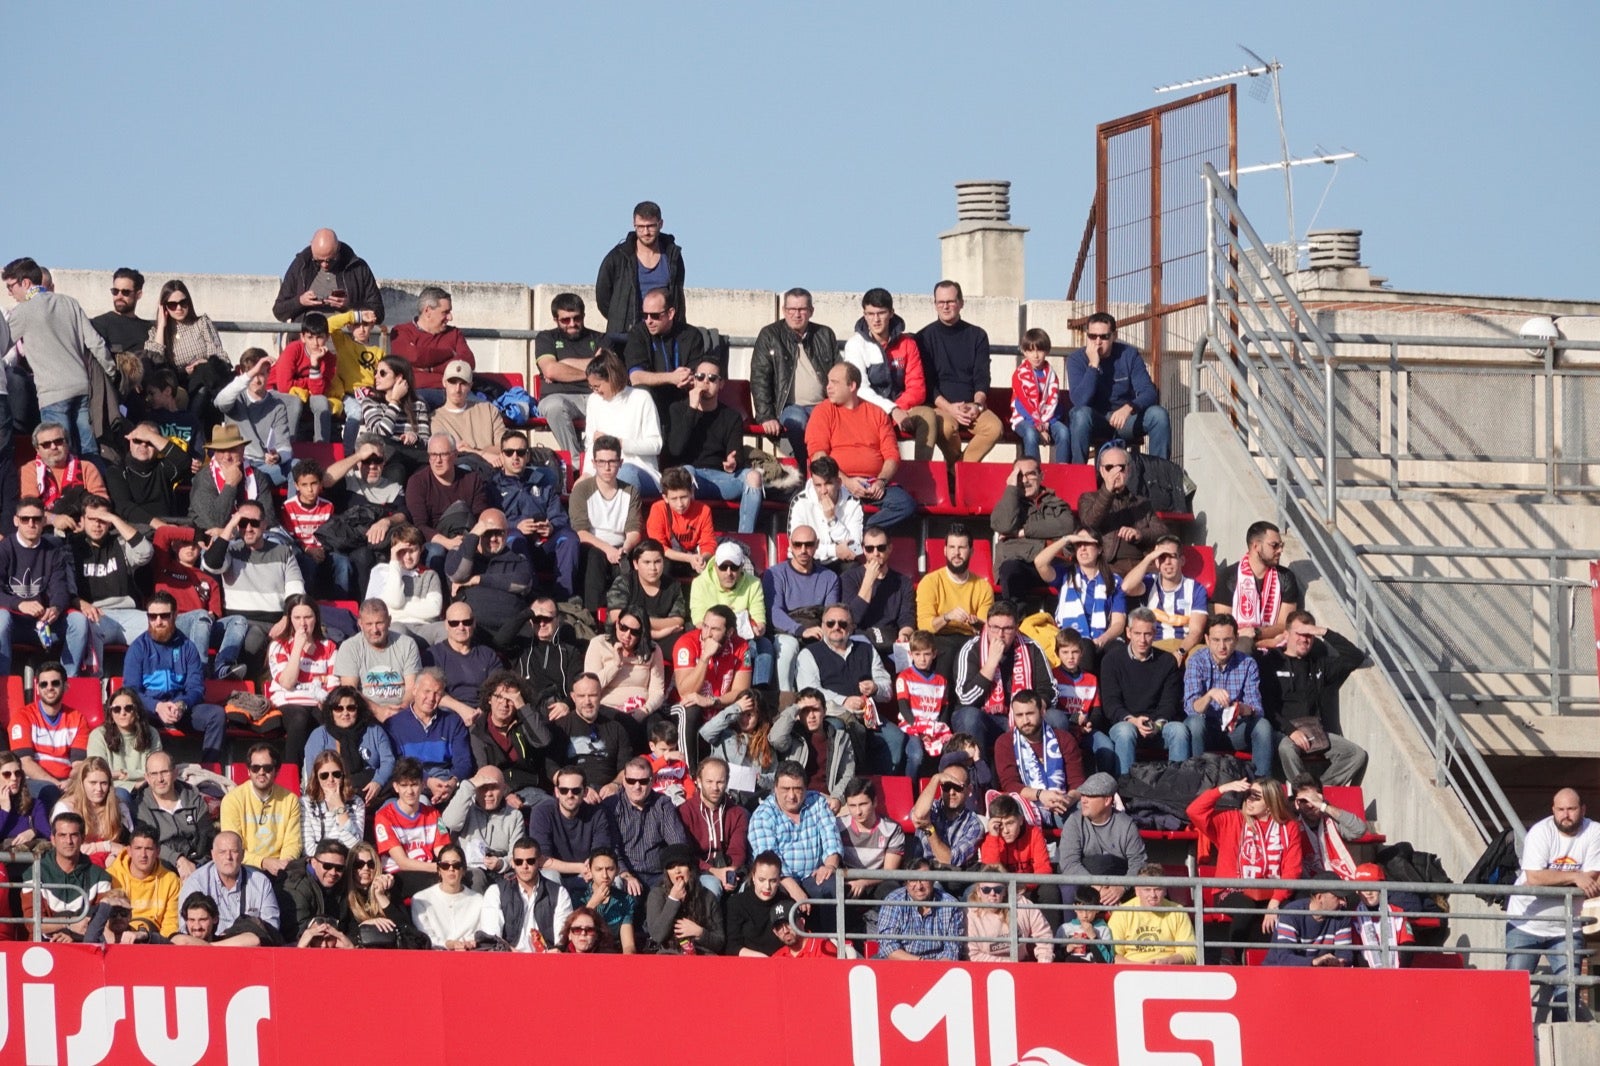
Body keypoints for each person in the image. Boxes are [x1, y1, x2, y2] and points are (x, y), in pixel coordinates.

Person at [3, 257, 117, 455]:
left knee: (58, 453)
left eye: (11, 286)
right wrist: (112, 372)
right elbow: (95, 343)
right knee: (89, 449)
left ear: (26, 283)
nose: (9, 292)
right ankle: (96, 484)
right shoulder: (69, 303)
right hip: (82, 388)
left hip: (52, 393)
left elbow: (2, 344)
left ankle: (68, 487)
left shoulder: (23, 311)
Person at [1505, 788, 1600, 1020]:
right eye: (1560, 809)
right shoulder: (1540, 832)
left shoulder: (1594, 832)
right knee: (1512, 991)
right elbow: (1535, 878)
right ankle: (1513, 1044)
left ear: (1583, 809)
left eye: (1571, 809)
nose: (1565, 814)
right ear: (1553, 810)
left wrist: (1554, 880)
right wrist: (1576, 877)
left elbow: (1594, 878)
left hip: (1567, 927)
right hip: (1526, 924)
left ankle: (1560, 1047)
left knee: (1568, 992)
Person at [1187, 778, 1305, 959]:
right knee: (1246, 906)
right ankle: (1229, 957)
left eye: (1256, 797)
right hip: (1232, 890)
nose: (1249, 800)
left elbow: (1292, 869)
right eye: (1248, 795)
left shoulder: (1289, 827)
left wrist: (1275, 902)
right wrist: (1222, 789)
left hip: (1270, 892)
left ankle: (1285, 958)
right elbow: (1194, 811)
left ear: (1271, 802)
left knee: (1298, 906)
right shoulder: (1231, 819)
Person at [1262, 610, 1369, 786]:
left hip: (1316, 732)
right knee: (1286, 749)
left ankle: (1319, 790)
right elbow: (1267, 706)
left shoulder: (1319, 664)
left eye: (1309, 635)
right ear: (1286, 635)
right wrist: (1291, 731)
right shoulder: (1271, 662)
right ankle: (1303, 791)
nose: (1305, 639)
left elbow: (1355, 657)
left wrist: (1323, 632)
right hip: (1284, 732)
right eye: (1300, 634)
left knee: (1357, 755)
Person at [805, 362, 916, 530]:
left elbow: (892, 456)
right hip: (836, 483)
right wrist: (846, 482)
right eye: (828, 382)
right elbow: (819, 457)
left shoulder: (877, 413)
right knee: (825, 495)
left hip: (872, 484)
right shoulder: (823, 411)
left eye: (834, 383)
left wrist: (881, 481)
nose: (828, 387)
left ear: (852, 386)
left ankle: (863, 532)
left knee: (905, 503)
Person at [661, 358, 765, 534]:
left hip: (720, 477)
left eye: (712, 378)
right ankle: (687, 535)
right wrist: (692, 408)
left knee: (753, 477)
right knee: (686, 471)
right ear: (693, 380)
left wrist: (733, 462)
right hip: (690, 477)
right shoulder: (677, 410)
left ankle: (745, 540)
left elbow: (736, 454)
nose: (705, 382)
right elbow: (676, 450)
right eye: (700, 377)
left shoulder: (731, 416)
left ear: (721, 384)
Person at [123, 591, 225, 766]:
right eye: (152, 617)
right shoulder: (138, 648)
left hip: (180, 709)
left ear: (175, 615)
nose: (158, 622)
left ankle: (208, 773)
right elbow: (131, 691)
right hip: (149, 710)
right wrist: (157, 706)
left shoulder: (188, 647)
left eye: (164, 616)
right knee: (129, 713)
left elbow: (196, 689)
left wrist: (181, 705)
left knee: (216, 715)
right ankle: (142, 771)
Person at [201, 499, 303, 670]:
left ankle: (234, 677)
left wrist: (286, 619)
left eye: (254, 523)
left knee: (253, 637)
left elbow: (296, 592)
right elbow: (211, 564)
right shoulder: (231, 551)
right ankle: (227, 674)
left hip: (271, 623)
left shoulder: (283, 552)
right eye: (242, 523)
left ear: (264, 525)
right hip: (236, 622)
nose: (248, 528)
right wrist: (229, 527)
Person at [951, 601, 1055, 762]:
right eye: (995, 628)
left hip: (1023, 717)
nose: (1000, 635)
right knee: (969, 717)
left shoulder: (1032, 648)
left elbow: (1050, 690)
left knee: (1057, 719)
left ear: (1016, 628)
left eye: (1007, 629)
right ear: (987, 625)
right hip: (985, 718)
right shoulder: (971, 649)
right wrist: (991, 663)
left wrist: (1030, 711)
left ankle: (1050, 779)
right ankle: (979, 778)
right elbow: (966, 698)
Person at [914, 280, 1004, 464]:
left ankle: (956, 470)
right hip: (941, 407)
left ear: (961, 303)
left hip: (972, 405)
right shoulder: (923, 337)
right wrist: (949, 408)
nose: (945, 306)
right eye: (941, 302)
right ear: (935, 304)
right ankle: (960, 474)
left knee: (995, 428)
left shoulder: (977, 335)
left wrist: (977, 405)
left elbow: (982, 376)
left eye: (951, 301)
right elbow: (928, 383)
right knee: (946, 429)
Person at [796, 606, 895, 773]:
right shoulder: (809, 653)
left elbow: (887, 690)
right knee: (839, 732)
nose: (836, 627)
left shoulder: (867, 650)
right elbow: (809, 691)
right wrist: (844, 700)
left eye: (842, 623)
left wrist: (876, 687)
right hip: (833, 714)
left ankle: (883, 789)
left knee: (897, 740)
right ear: (822, 626)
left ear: (851, 627)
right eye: (830, 623)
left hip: (867, 715)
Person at [0, 497, 90, 678]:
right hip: (13, 622)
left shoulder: (53, 550)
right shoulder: (5, 549)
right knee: (0, 619)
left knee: (79, 622)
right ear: (16, 521)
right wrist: (19, 604)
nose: (31, 524)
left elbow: (60, 587)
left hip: (45, 622)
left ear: (43, 521)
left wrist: (56, 608)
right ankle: (3, 683)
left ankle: (67, 681)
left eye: (36, 519)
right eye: (25, 519)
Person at [1064, 312, 1171, 464]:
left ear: (1114, 335)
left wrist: (1129, 407)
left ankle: (1159, 477)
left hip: (1125, 421)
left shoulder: (1129, 355)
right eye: (1092, 336)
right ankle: (1078, 476)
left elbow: (1149, 392)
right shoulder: (1076, 359)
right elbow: (1080, 401)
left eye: (1104, 336)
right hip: (1095, 421)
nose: (1098, 342)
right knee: (1080, 415)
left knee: (1158, 415)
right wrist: (1093, 365)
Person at [751, 287, 840, 463]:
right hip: (788, 407)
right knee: (796, 421)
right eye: (791, 309)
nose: (796, 314)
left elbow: (839, 374)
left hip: (823, 406)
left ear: (811, 311)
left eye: (802, 309)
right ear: (784, 310)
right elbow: (759, 378)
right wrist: (766, 416)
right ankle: (807, 469)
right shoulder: (770, 335)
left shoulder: (825, 334)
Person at [747, 761, 844, 920]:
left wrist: (829, 866)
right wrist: (795, 890)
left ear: (806, 788)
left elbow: (831, 839)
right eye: (786, 789)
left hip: (813, 875)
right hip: (779, 880)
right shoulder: (763, 815)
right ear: (775, 788)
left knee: (832, 885)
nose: (792, 796)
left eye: (797, 789)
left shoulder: (818, 802)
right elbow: (769, 860)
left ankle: (832, 941)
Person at [1183, 614, 1273, 778]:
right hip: (1206, 727)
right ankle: (1197, 779)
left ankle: (1262, 786)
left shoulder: (1247, 664)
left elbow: (1257, 709)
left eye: (1227, 640)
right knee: (1195, 723)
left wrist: (1242, 709)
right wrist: (1210, 695)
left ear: (1237, 639)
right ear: (1207, 639)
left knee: (1263, 726)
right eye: (1216, 640)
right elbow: (1191, 708)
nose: (1222, 646)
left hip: (1235, 728)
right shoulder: (1197, 661)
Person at [1100, 608, 1188, 773]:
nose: (1142, 640)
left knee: (1179, 730)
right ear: (1128, 632)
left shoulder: (1167, 661)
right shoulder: (1112, 660)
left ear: (1154, 633)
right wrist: (1133, 721)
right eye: (1137, 633)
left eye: (1147, 634)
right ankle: (1126, 791)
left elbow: (1169, 703)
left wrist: (1157, 725)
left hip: (1157, 726)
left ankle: (1178, 792)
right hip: (1126, 724)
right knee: (1126, 732)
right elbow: (1111, 704)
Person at [492, 429, 578, 600]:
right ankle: (533, 597)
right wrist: (515, 526)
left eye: (521, 452)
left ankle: (564, 599)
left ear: (528, 455)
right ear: (502, 455)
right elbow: (489, 522)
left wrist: (551, 527)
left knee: (569, 537)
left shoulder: (543, 481)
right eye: (510, 452)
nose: (515, 457)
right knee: (514, 537)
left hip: (544, 544)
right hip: (514, 546)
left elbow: (560, 517)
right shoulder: (493, 486)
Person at [151, 525, 246, 680]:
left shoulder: (209, 580)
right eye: (185, 543)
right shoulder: (163, 566)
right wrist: (200, 535)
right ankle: (198, 670)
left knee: (238, 620)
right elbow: (163, 532)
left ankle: (221, 667)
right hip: (172, 623)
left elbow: (215, 613)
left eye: (195, 544)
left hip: (203, 627)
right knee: (201, 616)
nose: (190, 547)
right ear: (175, 547)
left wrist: (211, 616)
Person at [764, 526, 843, 695]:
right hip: (785, 632)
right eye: (797, 545)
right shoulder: (775, 573)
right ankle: (785, 700)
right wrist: (800, 630)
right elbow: (774, 612)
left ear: (816, 545)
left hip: (816, 630)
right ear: (790, 545)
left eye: (808, 545)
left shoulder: (829, 577)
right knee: (789, 645)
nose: (803, 550)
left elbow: (830, 613)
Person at [841, 287, 930, 436]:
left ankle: (923, 461)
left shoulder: (907, 343)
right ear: (864, 315)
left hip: (904, 409)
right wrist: (891, 410)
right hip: (868, 411)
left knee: (929, 417)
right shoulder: (855, 344)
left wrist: (897, 409)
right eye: (870, 314)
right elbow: (860, 390)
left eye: (881, 313)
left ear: (891, 313)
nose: (876, 319)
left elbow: (917, 388)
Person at [571, 433, 644, 610]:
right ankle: (592, 615)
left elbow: (634, 529)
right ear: (594, 463)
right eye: (602, 462)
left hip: (621, 547)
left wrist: (624, 549)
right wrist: (608, 550)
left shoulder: (630, 491)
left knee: (634, 561)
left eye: (612, 462)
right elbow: (580, 532)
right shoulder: (582, 490)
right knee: (595, 558)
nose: (607, 467)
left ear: (620, 463)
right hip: (592, 546)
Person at [1036, 529, 1127, 670]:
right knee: (1086, 646)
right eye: (1079, 544)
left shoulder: (1114, 580)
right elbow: (1040, 563)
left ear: (1100, 549)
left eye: (1088, 544)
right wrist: (1066, 539)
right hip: (1072, 639)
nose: (1083, 548)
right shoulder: (1066, 575)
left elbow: (1118, 623)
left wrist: (1102, 639)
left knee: (1118, 651)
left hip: (1104, 638)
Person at [994, 690, 1087, 828]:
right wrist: (1040, 795)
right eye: (1019, 715)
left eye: (1030, 714)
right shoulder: (1005, 742)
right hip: (1026, 806)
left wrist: (1067, 800)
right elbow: (1010, 785)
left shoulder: (1064, 739)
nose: (1025, 721)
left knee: (1085, 810)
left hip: (1061, 804)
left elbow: (1078, 782)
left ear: (1042, 712)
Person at [993, 456, 1077, 607]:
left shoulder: (1055, 503)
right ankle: (1016, 623)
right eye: (1020, 476)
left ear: (1041, 476)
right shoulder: (1009, 504)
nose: (1025, 480)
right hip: (1023, 564)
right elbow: (1004, 526)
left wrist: (1023, 532)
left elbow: (1067, 525)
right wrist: (1011, 487)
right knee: (1010, 569)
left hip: (1055, 564)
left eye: (1030, 474)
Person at [266, 594, 339, 766]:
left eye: (308, 617)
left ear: (316, 618)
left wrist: (327, 701)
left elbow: (333, 685)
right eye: (297, 618)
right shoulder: (279, 645)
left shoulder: (329, 646)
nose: (303, 624)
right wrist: (298, 647)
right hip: (289, 702)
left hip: (317, 702)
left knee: (327, 718)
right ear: (290, 619)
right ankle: (292, 772)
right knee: (300, 718)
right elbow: (287, 682)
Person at [1077, 442, 1168, 579]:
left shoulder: (1141, 503)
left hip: (1140, 565)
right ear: (1102, 471)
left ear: (1128, 471)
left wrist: (1140, 534)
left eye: (1120, 468)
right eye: (1109, 468)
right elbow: (1089, 523)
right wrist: (1108, 491)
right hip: (1108, 565)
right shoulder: (1088, 498)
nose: (1115, 473)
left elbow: (1162, 532)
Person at [405, 433, 494, 572]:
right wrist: (447, 542)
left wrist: (471, 539)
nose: (437, 460)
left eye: (443, 454)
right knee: (436, 551)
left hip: (467, 534)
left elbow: (480, 514)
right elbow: (419, 525)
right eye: (433, 455)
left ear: (455, 455)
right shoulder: (417, 482)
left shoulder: (472, 479)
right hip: (434, 540)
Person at [688, 540, 772, 686]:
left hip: (743, 639)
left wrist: (759, 629)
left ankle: (760, 694)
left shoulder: (754, 583)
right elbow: (698, 621)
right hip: (712, 637)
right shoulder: (700, 583)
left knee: (764, 645)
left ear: (741, 567)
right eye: (723, 567)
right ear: (715, 566)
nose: (729, 572)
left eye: (733, 567)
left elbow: (760, 619)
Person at [384, 669, 473, 806]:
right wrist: (427, 781)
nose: (431, 698)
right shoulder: (395, 724)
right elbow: (396, 763)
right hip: (413, 786)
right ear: (414, 690)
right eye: (426, 691)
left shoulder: (453, 722)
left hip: (448, 783)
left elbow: (464, 761)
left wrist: (452, 782)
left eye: (437, 693)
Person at [528, 765, 618, 899]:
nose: (570, 795)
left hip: (588, 876)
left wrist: (588, 869)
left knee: (616, 881)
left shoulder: (597, 814)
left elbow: (600, 854)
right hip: (558, 876)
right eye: (564, 790)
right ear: (556, 792)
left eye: (576, 790)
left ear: (585, 792)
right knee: (549, 875)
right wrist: (580, 868)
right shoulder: (542, 812)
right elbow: (541, 860)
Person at [1057, 773, 1148, 904]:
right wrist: (1098, 887)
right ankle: (1072, 925)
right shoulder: (1074, 822)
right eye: (1083, 795)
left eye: (1090, 796)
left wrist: (1122, 887)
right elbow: (1069, 863)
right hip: (1086, 882)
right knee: (1069, 886)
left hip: (1118, 879)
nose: (1083, 800)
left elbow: (1138, 862)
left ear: (1107, 800)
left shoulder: (1126, 825)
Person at [178, 831, 281, 946]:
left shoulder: (261, 882)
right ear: (213, 855)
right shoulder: (196, 882)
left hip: (250, 952)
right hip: (204, 952)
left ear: (242, 855)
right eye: (222, 852)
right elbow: (185, 930)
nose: (228, 857)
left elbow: (271, 928)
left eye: (234, 851)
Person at [533, 292, 605, 456]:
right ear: (555, 320)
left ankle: (599, 459)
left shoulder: (600, 337)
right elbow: (550, 369)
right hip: (558, 397)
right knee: (554, 407)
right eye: (565, 320)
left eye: (577, 318)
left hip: (595, 396)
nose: (572, 324)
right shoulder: (546, 338)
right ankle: (574, 462)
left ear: (583, 316)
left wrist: (564, 364)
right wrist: (592, 368)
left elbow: (606, 367)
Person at [916, 524, 994, 675]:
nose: (956, 553)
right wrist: (947, 617)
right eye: (952, 547)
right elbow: (924, 626)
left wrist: (976, 623)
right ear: (945, 550)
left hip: (969, 639)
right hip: (940, 638)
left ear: (971, 551)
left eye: (961, 548)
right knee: (947, 651)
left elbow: (987, 628)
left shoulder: (983, 587)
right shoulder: (930, 582)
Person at [604, 756, 689, 895]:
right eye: (631, 781)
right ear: (624, 781)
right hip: (626, 873)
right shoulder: (612, 806)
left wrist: (674, 873)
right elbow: (612, 849)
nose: (637, 786)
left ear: (652, 781)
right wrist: (625, 874)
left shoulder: (663, 804)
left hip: (659, 875)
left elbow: (677, 844)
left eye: (643, 781)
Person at [582, 352, 663, 496]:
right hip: (604, 472)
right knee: (582, 488)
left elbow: (655, 445)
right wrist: (586, 474)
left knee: (625, 473)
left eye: (598, 386)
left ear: (612, 378)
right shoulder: (594, 401)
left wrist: (618, 443)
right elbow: (591, 445)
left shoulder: (641, 398)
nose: (595, 391)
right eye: (592, 387)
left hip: (640, 470)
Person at [623, 286, 709, 422]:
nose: (649, 321)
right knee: (641, 391)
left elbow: (697, 375)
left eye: (655, 316)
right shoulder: (638, 334)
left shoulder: (691, 335)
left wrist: (687, 379)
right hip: (653, 402)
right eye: (644, 315)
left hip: (684, 401)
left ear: (670, 313)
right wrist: (672, 378)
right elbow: (636, 377)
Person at [1212, 520, 1300, 652]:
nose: (1280, 550)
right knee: (1245, 646)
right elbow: (1223, 625)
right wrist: (1247, 636)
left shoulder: (1286, 577)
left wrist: (1257, 633)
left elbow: (1285, 625)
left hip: (1276, 640)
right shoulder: (1229, 576)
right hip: (1237, 640)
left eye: (1281, 545)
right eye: (1274, 545)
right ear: (1256, 546)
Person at [24, 811, 112, 941]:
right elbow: (32, 924)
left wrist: (73, 935)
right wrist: (68, 923)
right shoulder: (34, 873)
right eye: (62, 835)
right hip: (42, 949)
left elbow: (103, 922)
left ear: (82, 838)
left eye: (74, 835)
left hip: (85, 947)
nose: (68, 841)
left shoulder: (100, 876)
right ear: (53, 839)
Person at [1120, 535, 1207, 663]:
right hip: (1156, 644)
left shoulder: (1196, 589)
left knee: (1203, 656)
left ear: (1182, 560)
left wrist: (1180, 652)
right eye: (1162, 557)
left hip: (1185, 645)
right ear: (1156, 561)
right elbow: (1126, 587)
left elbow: (1196, 631)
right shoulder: (1149, 583)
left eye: (1172, 556)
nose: (1167, 562)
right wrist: (1149, 557)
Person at [478, 836, 573, 952]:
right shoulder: (496, 891)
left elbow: (562, 938)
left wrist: (555, 950)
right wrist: (509, 951)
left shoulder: (559, 893)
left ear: (539, 861)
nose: (524, 866)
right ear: (512, 863)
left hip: (547, 960)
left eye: (530, 861)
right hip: (508, 960)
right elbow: (491, 937)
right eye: (519, 861)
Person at [8, 662, 88, 800]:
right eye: (43, 684)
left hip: (67, 782)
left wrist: (71, 782)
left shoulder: (78, 719)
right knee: (50, 793)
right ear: (37, 689)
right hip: (33, 781)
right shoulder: (23, 717)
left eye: (55, 683)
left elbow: (79, 764)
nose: (49, 688)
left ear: (66, 686)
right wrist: (56, 784)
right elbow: (24, 762)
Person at [372, 757, 453, 894]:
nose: (410, 791)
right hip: (398, 877)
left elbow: (443, 852)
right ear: (396, 787)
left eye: (414, 785)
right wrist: (440, 868)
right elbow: (402, 863)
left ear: (422, 785)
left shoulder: (433, 814)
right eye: (404, 785)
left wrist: (447, 866)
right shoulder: (384, 817)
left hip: (430, 871)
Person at [586, 609, 667, 744]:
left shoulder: (652, 650)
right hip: (608, 708)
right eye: (623, 628)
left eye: (634, 632)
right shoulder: (598, 644)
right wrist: (615, 665)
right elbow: (589, 687)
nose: (627, 635)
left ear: (642, 634)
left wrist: (645, 710)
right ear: (617, 624)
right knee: (623, 724)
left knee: (657, 726)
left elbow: (658, 691)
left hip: (642, 708)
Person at [219, 744, 302, 876]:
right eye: (255, 768)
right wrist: (263, 862)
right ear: (248, 770)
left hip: (281, 868)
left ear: (277, 770)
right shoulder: (232, 800)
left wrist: (283, 865)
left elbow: (293, 842)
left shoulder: (290, 800)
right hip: (244, 868)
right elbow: (232, 848)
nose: (261, 772)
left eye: (267, 768)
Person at [213, 351, 293, 487]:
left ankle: (293, 508)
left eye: (261, 374)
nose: (257, 380)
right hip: (237, 464)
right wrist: (251, 373)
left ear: (268, 373)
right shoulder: (235, 400)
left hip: (264, 467)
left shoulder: (277, 406)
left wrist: (277, 457)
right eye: (252, 375)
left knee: (297, 467)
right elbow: (219, 402)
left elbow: (284, 446)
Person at [442, 765, 527, 892]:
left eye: (494, 788)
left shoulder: (514, 816)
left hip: (501, 871)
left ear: (504, 789)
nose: (488, 794)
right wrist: (469, 785)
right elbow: (450, 822)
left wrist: (501, 863)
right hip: (469, 870)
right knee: (476, 876)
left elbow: (517, 854)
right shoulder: (466, 808)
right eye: (483, 788)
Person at [335, 599, 422, 723]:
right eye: (369, 624)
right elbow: (350, 690)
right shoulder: (350, 647)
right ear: (360, 623)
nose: (375, 629)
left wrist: (402, 709)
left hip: (403, 711)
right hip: (365, 711)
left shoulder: (407, 644)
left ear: (389, 621)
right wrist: (378, 711)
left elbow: (412, 688)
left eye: (379, 623)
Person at [272, 228, 384, 324]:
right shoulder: (301, 265)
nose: (324, 264)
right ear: (312, 248)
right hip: (305, 346)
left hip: (347, 346)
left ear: (338, 248)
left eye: (330, 260)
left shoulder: (357, 267)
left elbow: (378, 313)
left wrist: (349, 305)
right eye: (318, 260)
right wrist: (300, 301)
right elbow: (279, 311)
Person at [129, 752, 214, 878]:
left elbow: (207, 835)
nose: (160, 779)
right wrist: (178, 859)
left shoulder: (193, 799)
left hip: (198, 863)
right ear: (146, 777)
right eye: (154, 774)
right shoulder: (140, 806)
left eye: (165, 772)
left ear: (175, 773)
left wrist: (196, 866)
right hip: (161, 868)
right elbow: (147, 845)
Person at [670, 604, 754, 726]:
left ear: (729, 632)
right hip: (682, 707)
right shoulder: (686, 643)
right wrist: (705, 657)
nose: (707, 634)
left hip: (719, 707)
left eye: (715, 629)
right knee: (690, 710)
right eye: (705, 626)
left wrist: (711, 701)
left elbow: (740, 692)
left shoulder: (741, 646)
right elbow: (686, 693)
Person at [678, 757, 750, 897]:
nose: (715, 788)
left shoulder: (737, 813)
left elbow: (738, 851)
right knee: (712, 887)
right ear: (698, 781)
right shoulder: (685, 811)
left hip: (729, 868)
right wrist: (713, 871)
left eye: (720, 782)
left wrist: (729, 874)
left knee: (748, 890)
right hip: (699, 870)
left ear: (727, 782)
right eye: (709, 782)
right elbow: (686, 853)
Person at [550, 675, 632, 797]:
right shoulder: (561, 727)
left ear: (600, 695)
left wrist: (615, 784)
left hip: (609, 795)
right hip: (571, 794)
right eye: (581, 696)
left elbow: (626, 767)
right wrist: (578, 790)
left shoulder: (616, 728)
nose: (587, 702)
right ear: (573, 697)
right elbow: (551, 767)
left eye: (592, 695)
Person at [699, 690, 781, 807]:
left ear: (759, 716)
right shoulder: (724, 734)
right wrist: (735, 708)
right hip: (723, 795)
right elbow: (705, 732)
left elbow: (775, 777)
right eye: (742, 713)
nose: (744, 719)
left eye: (749, 715)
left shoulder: (766, 742)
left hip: (751, 800)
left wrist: (760, 779)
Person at [270, 312, 343, 443]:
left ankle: (322, 446)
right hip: (274, 390)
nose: (315, 343)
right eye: (310, 337)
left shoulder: (330, 359)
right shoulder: (293, 349)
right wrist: (309, 382)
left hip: (306, 394)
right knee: (294, 402)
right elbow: (284, 386)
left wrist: (315, 364)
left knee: (321, 401)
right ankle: (288, 445)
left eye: (319, 337)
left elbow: (318, 391)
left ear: (327, 337)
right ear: (302, 337)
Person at [427, 602, 505, 723]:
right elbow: (431, 691)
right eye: (454, 623)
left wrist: (483, 710)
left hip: (484, 715)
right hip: (446, 716)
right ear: (446, 625)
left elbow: (499, 687)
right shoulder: (433, 655)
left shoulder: (488, 654)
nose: (461, 627)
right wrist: (461, 710)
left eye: (466, 622)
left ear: (474, 623)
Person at [873, 858, 963, 961]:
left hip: (938, 968)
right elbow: (888, 946)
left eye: (924, 879)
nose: (919, 886)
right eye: (913, 880)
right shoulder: (893, 901)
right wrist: (921, 963)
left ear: (933, 880)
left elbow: (952, 950)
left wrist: (934, 970)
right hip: (900, 965)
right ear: (906, 883)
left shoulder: (950, 905)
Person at [841, 526, 914, 651]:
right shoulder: (849, 578)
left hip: (890, 638)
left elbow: (906, 618)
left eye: (881, 548)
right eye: (870, 549)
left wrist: (904, 634)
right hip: (860, 638)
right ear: (864, 550)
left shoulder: (903, 582)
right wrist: (868, 580)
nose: (875, 553)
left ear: (889, 548)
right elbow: (853, 619)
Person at [106, 421, 192, 528]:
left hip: (167, 526)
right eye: (138, 440)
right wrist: (158, 525)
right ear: (130, 442)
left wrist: (150, 435)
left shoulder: (162, 467)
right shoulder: (116, 471)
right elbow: (124, 507)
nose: (144, 445)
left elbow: (184, 461)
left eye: (150, 442)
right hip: (133, 530)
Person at [836, 778, 906, 908]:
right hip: (847, 881)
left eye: (863, 804)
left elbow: (889, 872)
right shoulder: (837, 825)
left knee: (892, 890)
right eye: (852, 806)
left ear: (874, 802)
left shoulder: (891, 829)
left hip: (877, 882)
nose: (858, 812)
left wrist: (864, 882)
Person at [644, 842, 725, 954]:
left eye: (681, 865)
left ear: (690, 868)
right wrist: (673, 900)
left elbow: (719, 942)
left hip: (702, 958)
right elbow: (657, 935)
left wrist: (700, 932)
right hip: (670, 958)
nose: (677, 871)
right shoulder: (657, 895)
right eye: (671, 867)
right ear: (666, 872)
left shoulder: (707, 896)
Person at [1109, 863, 1198, 965]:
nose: (1153, 895)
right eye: (1147, 890)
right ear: (1137, 891)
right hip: (1131, 973)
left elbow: (1191, 952)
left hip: (1169, 972)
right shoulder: (1122, 912)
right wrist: (1142, 966)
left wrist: (1167, 962)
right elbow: (1113, 956)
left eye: (1158, 889)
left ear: (1165, 890)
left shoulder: (1178, 911)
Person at [390, 286, 473, 395]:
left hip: (456, 394)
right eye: (445, 312)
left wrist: (431, 368)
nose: (450, 317)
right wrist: (450, 353)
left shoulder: (454, 333)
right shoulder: (401, 331)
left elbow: (468, 362)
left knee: (484, 409)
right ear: (428, 311)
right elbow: (413, 356)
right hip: (419, 394)